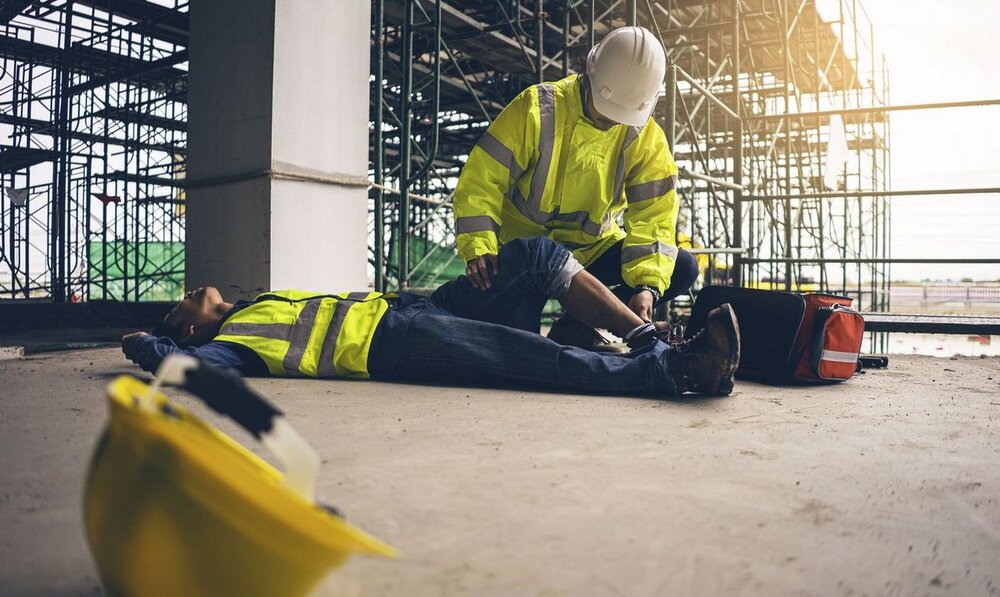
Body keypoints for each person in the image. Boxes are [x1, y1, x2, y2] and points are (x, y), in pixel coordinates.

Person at [122, 237, 740, 397]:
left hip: (406, 308)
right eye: (179, 306)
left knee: (530, 259)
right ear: (192, 325)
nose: (189, 291)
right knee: (529, 359)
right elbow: (183, 366)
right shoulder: (229, 344)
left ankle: (644, 337)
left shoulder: (254, 304)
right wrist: (145, 342)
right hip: (394, 345)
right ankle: (675, 371)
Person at [452, 26, 699, 351]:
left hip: (590, 252)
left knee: (683, 267)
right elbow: (482, 180)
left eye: (620, 116)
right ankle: (546, 319)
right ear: (589, 75)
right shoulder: (538, 108)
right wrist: (479, 249)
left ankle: (576, 326)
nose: (611, 121)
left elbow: (654, 218)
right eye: (604, 111)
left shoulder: (645, 139)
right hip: (526, 256)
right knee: (520, 346)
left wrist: (646, 286)